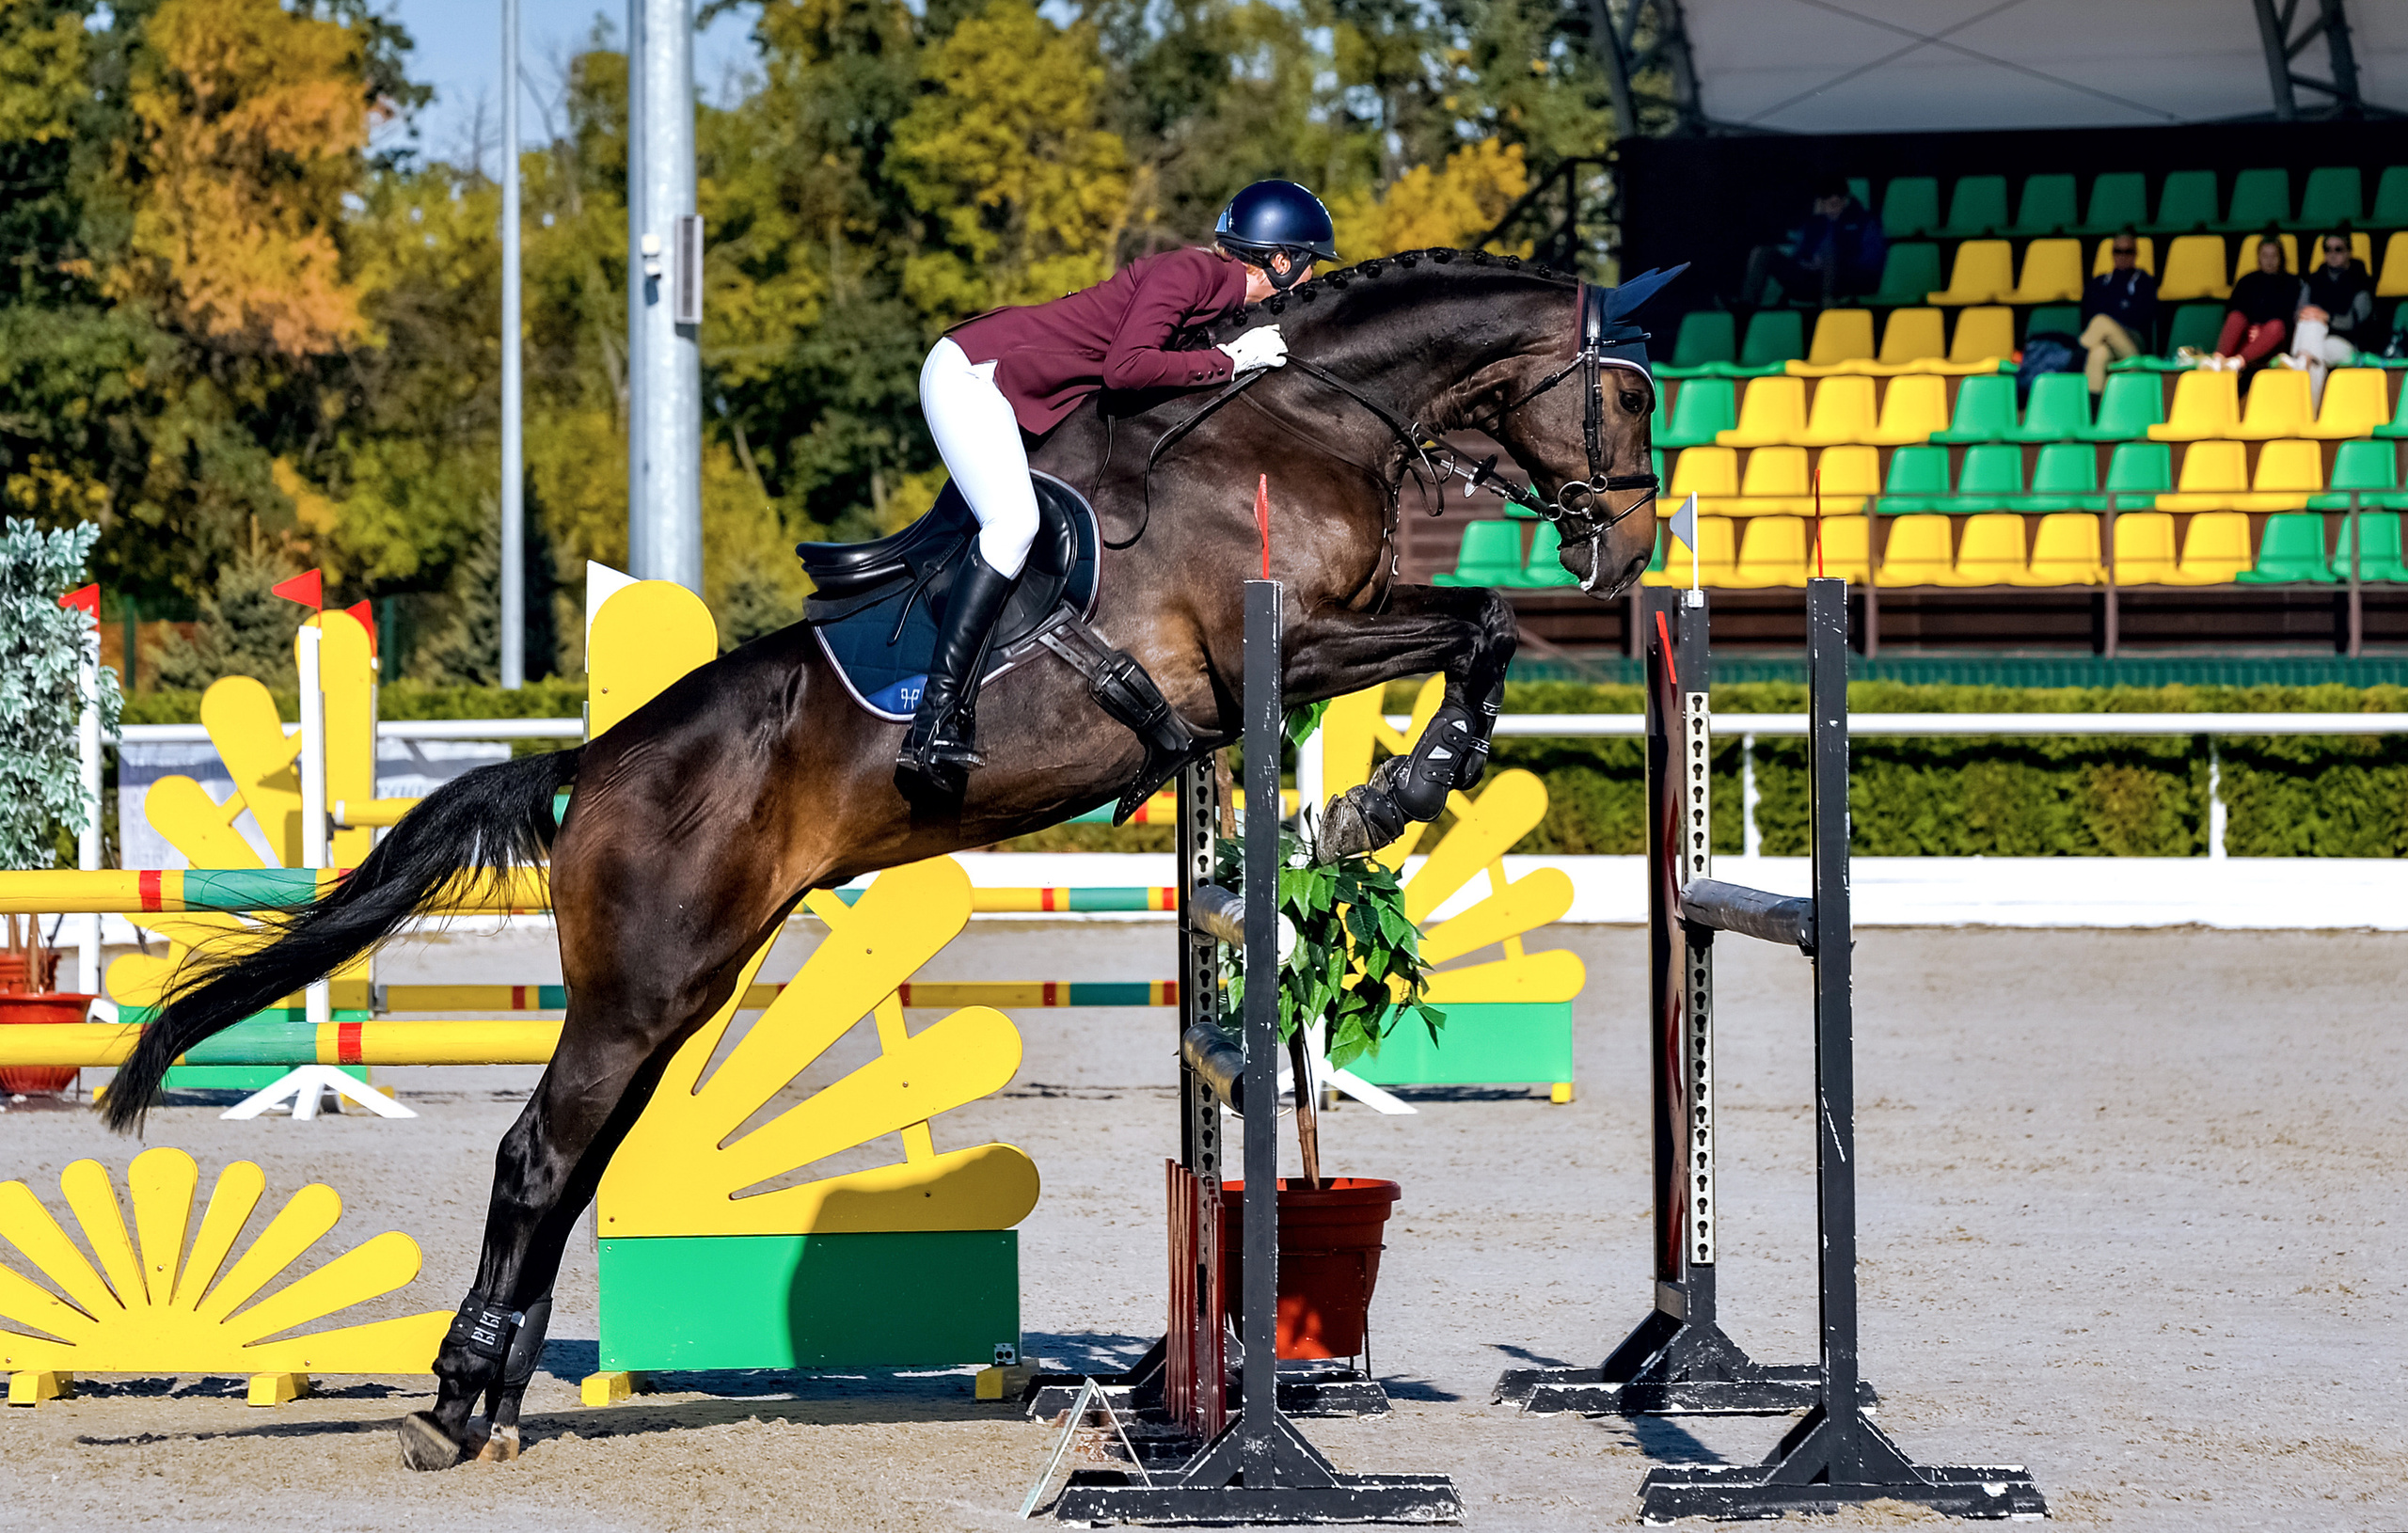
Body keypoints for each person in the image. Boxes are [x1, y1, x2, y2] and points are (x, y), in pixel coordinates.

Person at [899, 180, 1334, 790]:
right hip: (971, 376)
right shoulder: (1190, 274)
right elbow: (1126, 370)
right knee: (1015, 525)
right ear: (1280, 261)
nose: (1312, 281)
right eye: (1310, 265)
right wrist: (1234, 361)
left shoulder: (1215, 295)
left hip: (1008, 390)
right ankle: (934, 723)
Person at [1736, 177, 1886, 308]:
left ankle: (1828, 302)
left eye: (1834, 204)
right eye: (1825, 205)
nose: (1830, 210)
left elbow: (1872, 261)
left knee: (1829, 248)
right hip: (1813, 279)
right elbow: (1800, 252)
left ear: (1845, 200)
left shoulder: (1865, 222)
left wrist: (1838, 260)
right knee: (1763, 253)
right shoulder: (1815, 222)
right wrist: (1806, 262)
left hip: (1848, 281)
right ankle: (1746, 307)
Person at [2285, 229, 2374, 407]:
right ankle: (2310, 409)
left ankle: (2301, 365)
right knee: (2314, 344)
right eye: (2328, 249)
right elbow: (2298, 314)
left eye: (2338, 249)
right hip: (2317, 341)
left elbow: (2356, 320)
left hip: (2346, 342)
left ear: (2349, 251)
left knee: (2313, 340)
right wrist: (2310, 315)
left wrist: (2325, 317)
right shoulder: (2315, 279)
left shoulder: (2361, 280)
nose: (2332, 254)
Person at [2078, 228, 2158, 395]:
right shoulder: (2099, 283)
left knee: (2101, 321)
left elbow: (2142, 318)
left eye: (2128, 251)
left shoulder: (2145, 282)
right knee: (2098, 354)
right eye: (2118, 251)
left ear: (2136, 254)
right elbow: (2086, 316)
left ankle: (2070, 363)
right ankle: (2093, 414)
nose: (2122, 256)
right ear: (2112, 253)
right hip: (2106, 343)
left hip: (2132, 344)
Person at [2210, 234, 2300, 373]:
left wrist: (2262, 330)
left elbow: (2288, 318)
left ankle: (2237, 362)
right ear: (2259, 257)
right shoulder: (2246, 281)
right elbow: (2234, 309)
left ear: (2281, 257)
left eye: (2274, 256)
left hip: (2272, 342)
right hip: (2247, 337)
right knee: (2235, 317)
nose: (2269, 261)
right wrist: (2251, 329)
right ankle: (2218, 360)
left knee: (2276, 326)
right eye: (2265, 256)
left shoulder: (2292, 283)